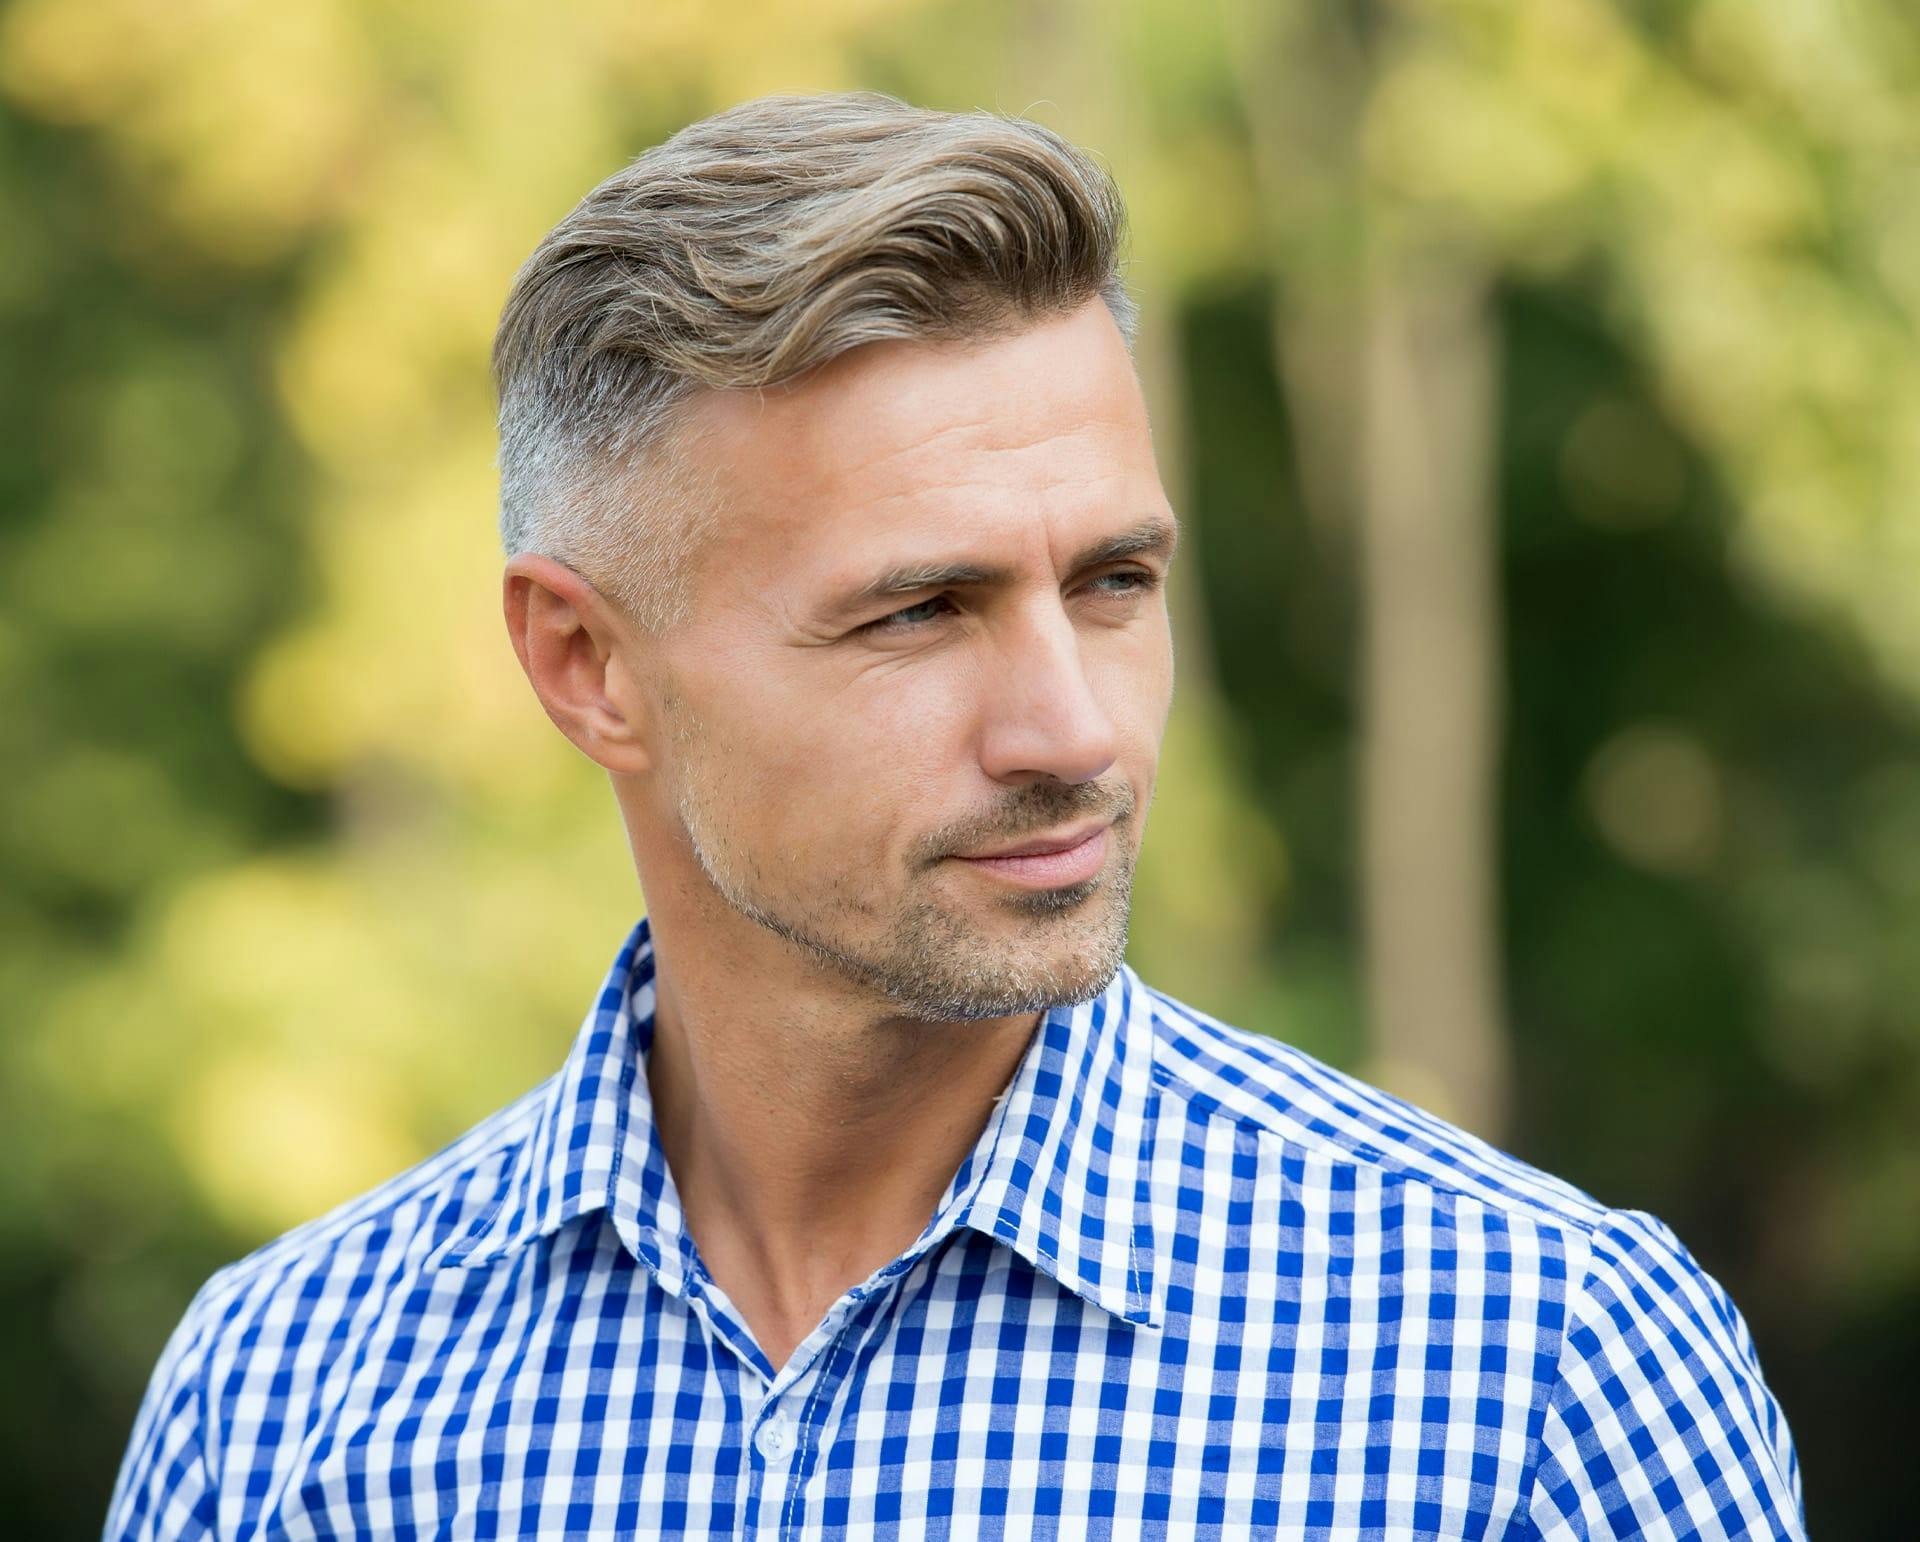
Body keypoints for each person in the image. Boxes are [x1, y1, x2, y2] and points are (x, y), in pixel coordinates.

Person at [105, 90, 1806, 1540]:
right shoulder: (285, 1415)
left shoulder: (1536, 1379)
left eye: (1115, 580)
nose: (1071, 728)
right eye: (917, 611)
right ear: (585, 664)